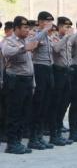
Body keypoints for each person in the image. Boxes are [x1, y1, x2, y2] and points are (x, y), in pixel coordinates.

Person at [2, 16, 38, 154]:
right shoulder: (9, 40)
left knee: (24, 113)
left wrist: (33, 83)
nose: (27, 30)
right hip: (15, 81)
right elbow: (6, 52)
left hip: (27, 81)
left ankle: (18, 141)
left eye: (28, 28)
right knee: (14, 113)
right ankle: (11, 144)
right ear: (16, 28)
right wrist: (23, 48)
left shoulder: (27, 40)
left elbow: (30, 65)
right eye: (25, 28)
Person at [28, 11, 55, 150]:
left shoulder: (50, 37)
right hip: (38, 69)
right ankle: (32, 138)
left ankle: (39, 136)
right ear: (39, 22)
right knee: (37, 105)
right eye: (46, 21)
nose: (49, 24)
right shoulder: (35, 34)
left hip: (49, 70)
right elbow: (31, 45)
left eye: (50, 22)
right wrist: (44, 30)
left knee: (45, 104)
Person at [49, 16, 74, 146]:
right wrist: (65, 38)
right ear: (59, 27)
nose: (68, 29)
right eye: (65, 26)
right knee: (56, 104)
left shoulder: (69, 40)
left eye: (69, 27)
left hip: (68, 72)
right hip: (58, 72)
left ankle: (59, 131)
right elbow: (56, 49)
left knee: (64, 103)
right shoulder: (55, 37)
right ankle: (54, 135)